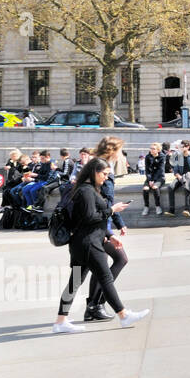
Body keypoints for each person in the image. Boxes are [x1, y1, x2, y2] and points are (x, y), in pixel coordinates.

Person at [50, 156, 150, 333]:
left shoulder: (85, 189)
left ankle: (60, 321)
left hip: (82, 243)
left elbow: (87, 219)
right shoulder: (86, 191)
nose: (106, 177)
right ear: (94, 172)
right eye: (104, 173)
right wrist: (112, 209)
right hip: (89, 243)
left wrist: (109, 236)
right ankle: (124, 315)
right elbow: (90, 218)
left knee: (75, 282)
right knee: (105, 279)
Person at [86, 136, 130, 321]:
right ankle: (96, 304)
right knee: (120, 259)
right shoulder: (104, 171)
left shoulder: (97, 167)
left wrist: (119, 223)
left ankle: (92, 307)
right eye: (120, 150)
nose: (121, 154)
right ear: (113, 151)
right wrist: (110, 231)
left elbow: (106, 204)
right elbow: (106, 204)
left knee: (98, 268)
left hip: (98, 227)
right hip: (99, 228)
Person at [140, 142, 167, 216]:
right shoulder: (148, 157)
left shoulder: (162, 156)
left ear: (158, 150)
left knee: (155, 187)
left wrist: (154, 180)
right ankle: (146, 207)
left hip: (159, 177)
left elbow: (160, 170)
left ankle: (158, 206)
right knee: (145, 188)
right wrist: (149, 180)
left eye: (153, 149)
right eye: (151, 148)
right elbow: (147, 170)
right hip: (150, 178)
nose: (151, 150)